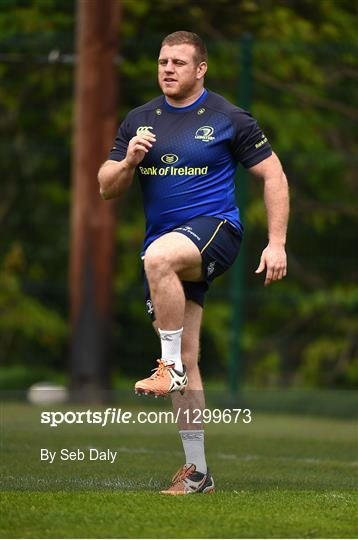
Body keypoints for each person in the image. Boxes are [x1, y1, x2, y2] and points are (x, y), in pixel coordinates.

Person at [98, 31, 289, 495]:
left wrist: (277, 242)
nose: (168, 69)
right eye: (162, 61)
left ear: (200, 68)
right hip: (165, 255)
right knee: (187, 354)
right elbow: (106, 187)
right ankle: (198, 473)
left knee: (158, 257)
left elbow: (273, 174)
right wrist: (128, 162)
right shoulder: (140, 120)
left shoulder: (228, 118)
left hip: (216, 232)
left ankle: (166, 368)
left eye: (179, 62)